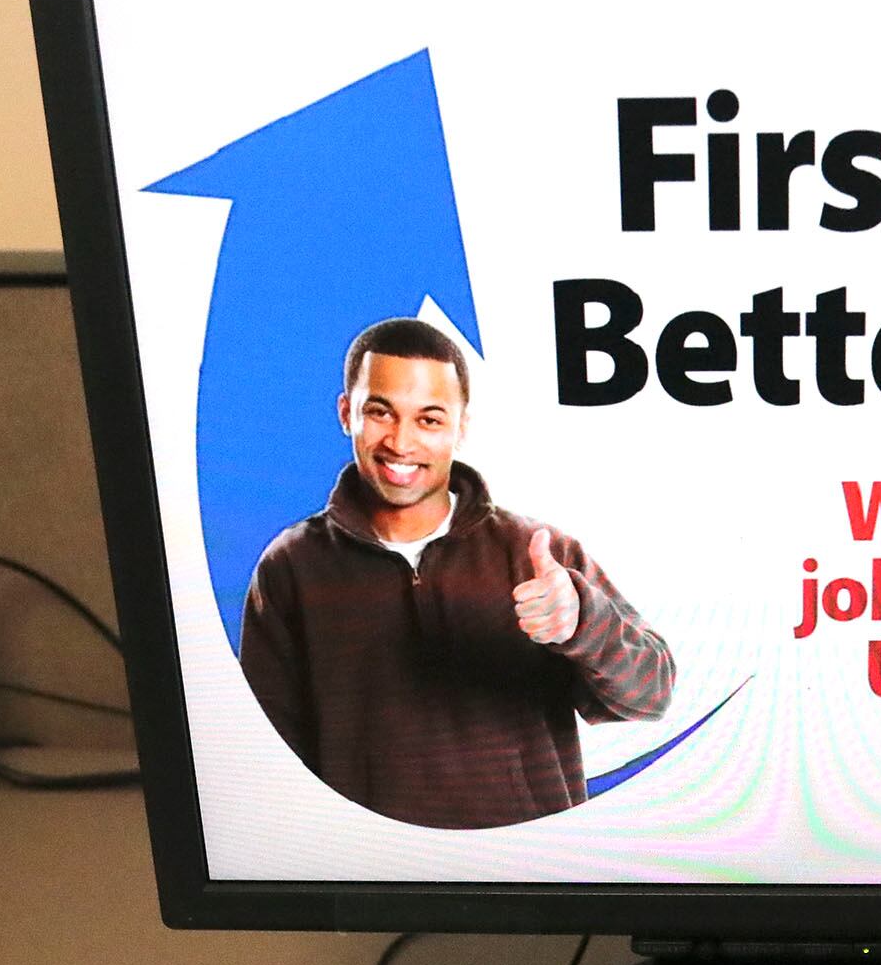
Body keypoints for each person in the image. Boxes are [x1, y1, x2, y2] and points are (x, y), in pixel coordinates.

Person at [239, 315, 675, 829]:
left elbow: (652, 694)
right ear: (345, 413)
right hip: (375, 883)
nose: (401, 442)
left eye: (429, 419)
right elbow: (266, 765)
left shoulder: (537, 553)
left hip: (529, 880)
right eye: (380, 413)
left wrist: (582, 622)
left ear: (461, 427)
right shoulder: (290, 568)